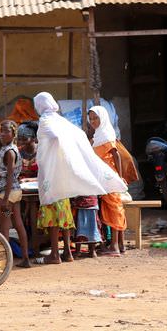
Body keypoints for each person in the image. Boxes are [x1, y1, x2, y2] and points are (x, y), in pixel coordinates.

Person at [33, 92, 127, 264]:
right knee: (64, 213)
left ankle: (55, 254)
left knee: (51, 214)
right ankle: (67, 252)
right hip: (64, 175)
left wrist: (54, 148)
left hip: (52, 175)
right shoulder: (61, 121)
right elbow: (79, 135)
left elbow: (54, 137)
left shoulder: (46, 120)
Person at [88, 105, 139, 256]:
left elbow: (116, 156)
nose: (93, 121)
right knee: (111, 209)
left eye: (95, 118)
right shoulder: (97, 136)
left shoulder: (106, 134)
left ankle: (114, 246)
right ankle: (120, 245)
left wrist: (119, 176)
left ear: (102, 118)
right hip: (103, 179)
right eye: (91, 119)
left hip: (110, 177)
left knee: (114, 209)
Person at [0, 120, 32, 268]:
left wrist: (6, 199)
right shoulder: (10, 149)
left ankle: (6, 261)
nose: (2, 134)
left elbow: (9, 175)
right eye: (1, 131)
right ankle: (25, 258)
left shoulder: (9, 152)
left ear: (13, 134)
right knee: (18, 223)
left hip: (7, 193)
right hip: (14, 191)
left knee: (5, 225)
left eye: (6, 131)